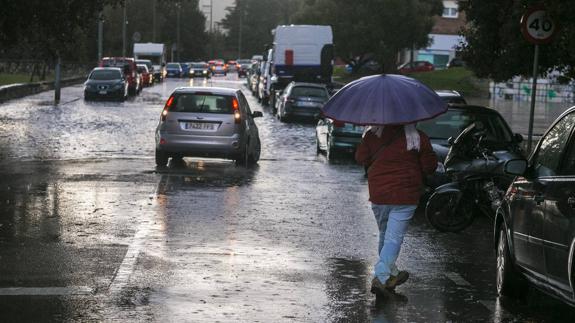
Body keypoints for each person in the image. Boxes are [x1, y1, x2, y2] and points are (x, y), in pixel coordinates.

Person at [355, 124, 437, 295]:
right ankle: (382, 276)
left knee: (385, 235)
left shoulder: (372, 134)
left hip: (379, 193)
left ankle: (392, 274)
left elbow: (360, 157)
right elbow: (429, 166)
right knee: (393, 237)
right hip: (405, 195)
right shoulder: (417, 136)